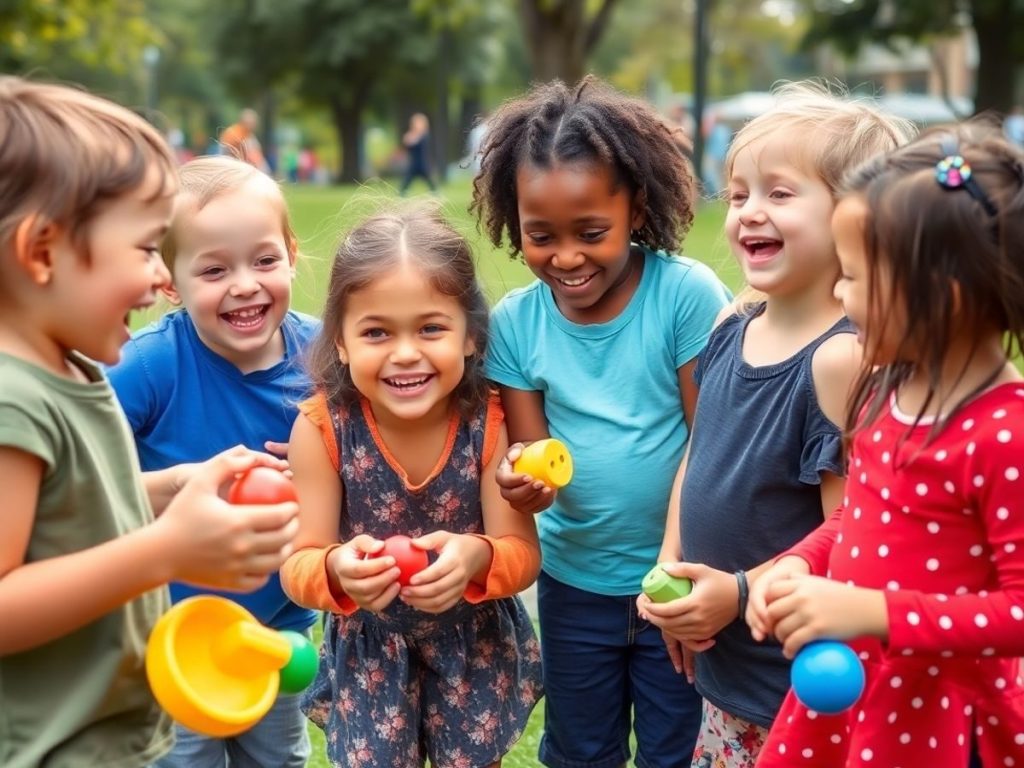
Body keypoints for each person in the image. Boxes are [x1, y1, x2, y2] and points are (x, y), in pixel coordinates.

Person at [0, 77, 298, 768]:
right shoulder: (15, 401)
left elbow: (74, 514)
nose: (156, 280)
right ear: (42, 252)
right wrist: (165, 550)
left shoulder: (72, 371)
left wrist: (176, 486)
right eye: (142, 250)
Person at [634, 82, 915, 768]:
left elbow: (851, 538)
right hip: (724, 670)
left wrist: (739, 593)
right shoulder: (733, 324)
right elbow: (698, 457)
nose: (748, 213)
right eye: (738, 195)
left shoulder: (845, 358)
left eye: (779, 194)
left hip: (799, 685)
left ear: (857, 219)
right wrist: (671, 566)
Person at [744, 123, 1024, 766]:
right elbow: (859, 515)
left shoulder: (1003, 434)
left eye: (856, 278)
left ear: (942, 300)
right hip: (854, 690)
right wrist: (803, 562)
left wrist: (874, 612)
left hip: (941, 716)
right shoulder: (885, 390)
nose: (840, 295)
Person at [472, 75, 732, 768]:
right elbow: (533, 452)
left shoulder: (684, 297)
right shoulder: (516, 326)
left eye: (592, 232)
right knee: (580, 750)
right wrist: (524, 482)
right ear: (513, 217)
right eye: (541, 235)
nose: (566, 257)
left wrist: (674, 571)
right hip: (574, 583)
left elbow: (709, 446)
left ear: (636, 208)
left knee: (676, 749)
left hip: (673, 578)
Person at [278, 202, 543, 767]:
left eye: (430, 328)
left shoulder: (489, 422)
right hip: (371, 655)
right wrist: (335, 569)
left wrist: (476, 558)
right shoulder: (323, 428)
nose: (405, 353)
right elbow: (298, 564)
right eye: (376, 332)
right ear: (341, 343)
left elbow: (522, 554)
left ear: (471, 336)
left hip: (473, 649)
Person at [106, 155, 320, 768]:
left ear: (291, 254)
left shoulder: (324, 358)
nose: (245, 284)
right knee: (184, 759)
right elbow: (81, 478)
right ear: (170, 282)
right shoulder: (147, 366)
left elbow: (366, 461)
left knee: (277, 758)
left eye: (263, 260)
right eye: (214, 269)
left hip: (274, 631)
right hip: (173, 629)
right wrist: (180, 485)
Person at [219, 108, 270, 173]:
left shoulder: (248, 134)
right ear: (243, 122)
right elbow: (227, 151)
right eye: (251, 123)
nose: (254, 125)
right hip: (232, 164)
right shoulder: (233, 133)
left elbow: (255, 152)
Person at [399, 112, 437, 195]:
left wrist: (411, 138)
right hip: (413, 163)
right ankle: (401, 194)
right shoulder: (411, 134)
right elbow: (406, 143)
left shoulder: (424, 135)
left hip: (423, 164)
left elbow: (415, 142)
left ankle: (435, 194)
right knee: (406, 181)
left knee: (430, 182)